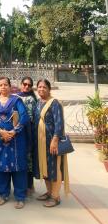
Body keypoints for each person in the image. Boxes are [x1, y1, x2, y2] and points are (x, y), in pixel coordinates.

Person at [0, 76, 29, 209]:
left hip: (16, 139)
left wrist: (14, 131)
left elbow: (24, 117)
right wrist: (0, 131)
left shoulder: (16, 100)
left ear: (10, 86)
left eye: (6, 85)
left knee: (18, 167)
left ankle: (20, 197)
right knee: (0, 166)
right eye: (1, 85)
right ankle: (3, 194)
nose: (3, 87)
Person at [34, 78, 69, 207]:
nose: (41, 89)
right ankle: (49, 192)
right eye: (39, 87)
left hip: (51, 142)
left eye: (44, 87)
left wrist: (55, 140)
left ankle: (56, 196)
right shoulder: (38, 102)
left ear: (49, 89)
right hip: (40, 142)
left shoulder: (54, 103)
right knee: (45, 168)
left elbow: (59, 123)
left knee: (54, 168)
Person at [17, 76, 37, 195]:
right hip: (17, 132)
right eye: (25, 84)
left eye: (29, 85)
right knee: (20, 159)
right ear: (21, 84)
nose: (26, 86)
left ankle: (29, 186)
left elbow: (33, 117)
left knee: (28, 160)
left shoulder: (32, 99)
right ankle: (21, 185)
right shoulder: (15, 97)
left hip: (29, 132)